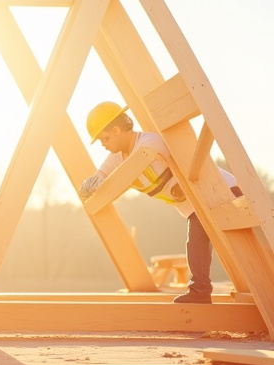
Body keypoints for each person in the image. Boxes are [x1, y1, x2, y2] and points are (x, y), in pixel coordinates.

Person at [78, 102, 241, 305]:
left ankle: (200, 293)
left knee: (210, 245)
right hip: (196, 206)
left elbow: (127, 172)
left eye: (105, 138)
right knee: (196, 242)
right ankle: (200, 293)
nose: (103, 144)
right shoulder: (116, 158)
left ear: (117, 130)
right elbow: (101, 175)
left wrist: (106, 183)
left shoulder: (150, 143)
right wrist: (90, 185)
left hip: (221, 190)